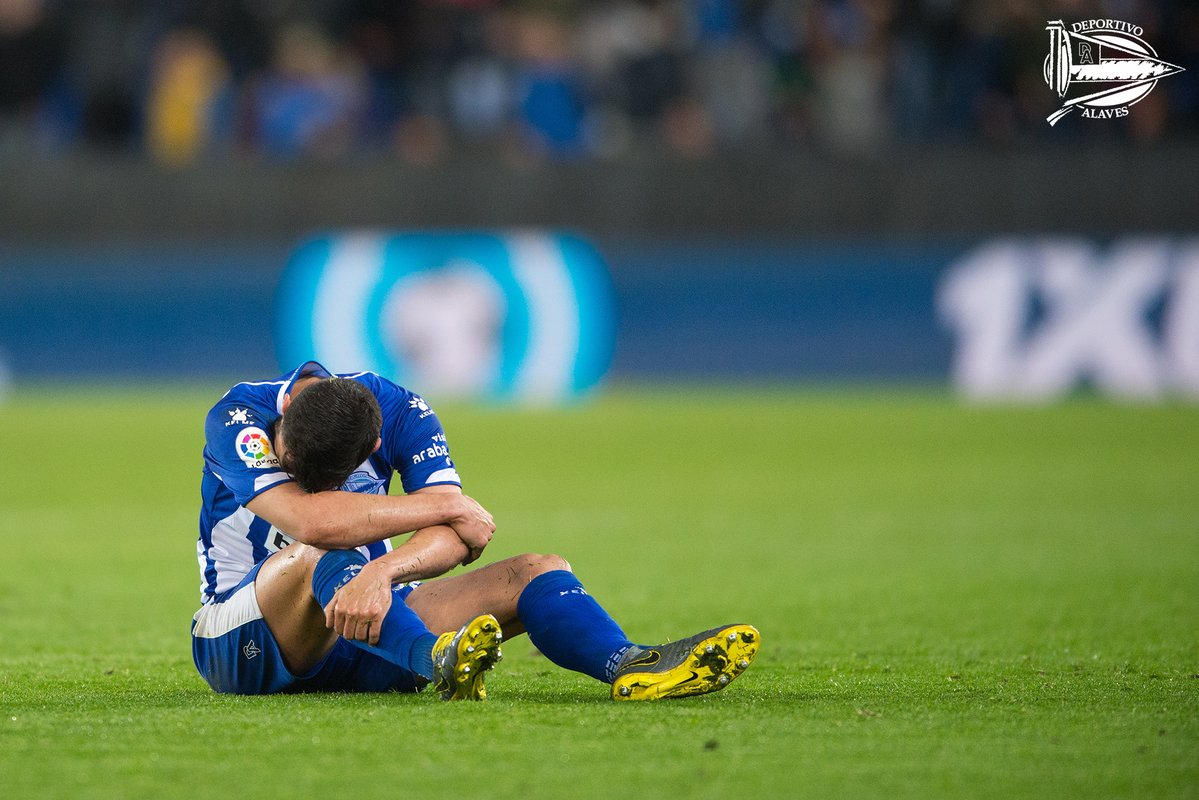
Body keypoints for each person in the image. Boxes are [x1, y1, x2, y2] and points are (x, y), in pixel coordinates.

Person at [191, 361, 759, 700]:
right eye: (289, 466)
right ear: (285, 416)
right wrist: (443, 505)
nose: (299, 480)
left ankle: (631, 665)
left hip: (371, 621)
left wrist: (385, 570)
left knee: (536, 570)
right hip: (245, 639)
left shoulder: (401, 412)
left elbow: (461, 536)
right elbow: (312, 522)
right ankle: (434, 659)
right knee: (319, 550)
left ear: (371, 446)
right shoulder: (239, 417)